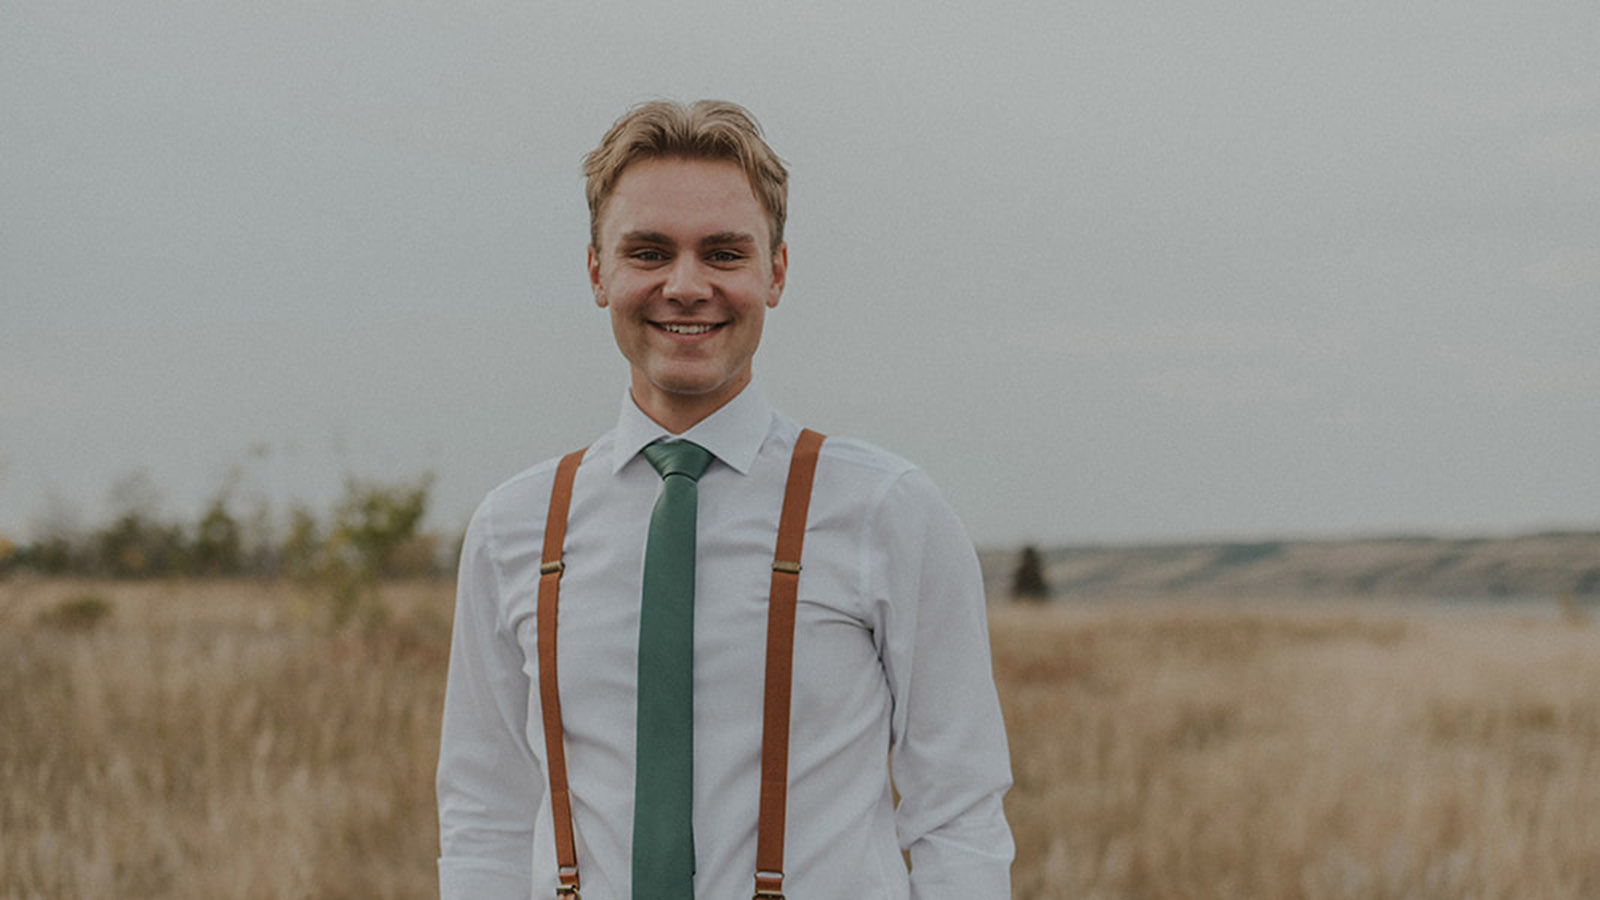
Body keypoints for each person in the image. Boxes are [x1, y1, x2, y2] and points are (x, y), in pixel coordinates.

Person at [436, 99, 1013, 900]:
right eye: (647, 252)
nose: (685, 285)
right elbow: (485, 817)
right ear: (597, 271)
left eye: (723, 253)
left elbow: (958, 815)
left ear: (775, 272)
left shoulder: (890, 511)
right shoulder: (513, 529)